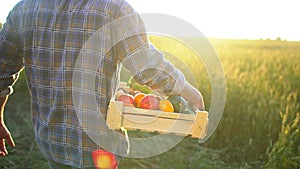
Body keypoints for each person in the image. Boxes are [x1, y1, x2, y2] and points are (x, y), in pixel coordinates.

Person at [0, 0, 204, 168]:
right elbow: (146, 66)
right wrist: (188, 92)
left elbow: (1, 69)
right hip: (99, 148)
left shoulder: (24, 10)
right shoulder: (113, 8)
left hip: (52, 142)